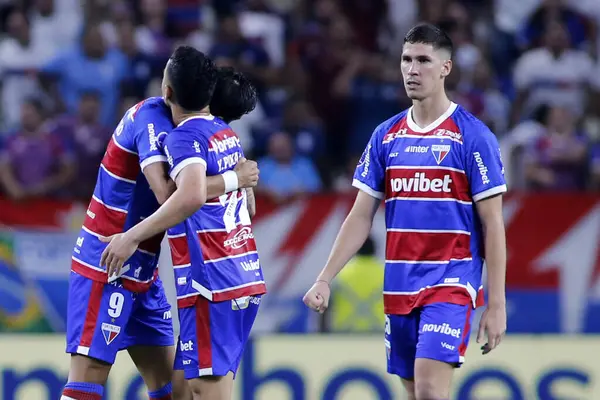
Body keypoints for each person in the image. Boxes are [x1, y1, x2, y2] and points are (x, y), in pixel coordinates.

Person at [303, 23, 507, 400]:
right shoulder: (386, 136)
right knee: (415, 394)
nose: (412, 69)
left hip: (451, 282)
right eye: (406, 60)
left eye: (423, 61)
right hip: (399, 284)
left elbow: (493, 225)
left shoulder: (473, 136)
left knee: (430, 390)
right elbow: (360, 215)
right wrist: (324, 278)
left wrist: (496, 304)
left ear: (446, 67)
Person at [62, 52, 259, 400]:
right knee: (86, 383)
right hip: (108, 259)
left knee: (174, 390)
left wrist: (235, 175)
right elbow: (170, 193)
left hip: (144, 269)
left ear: (169, 89)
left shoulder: (197, 129)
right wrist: (233, 178)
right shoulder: (150, 117)